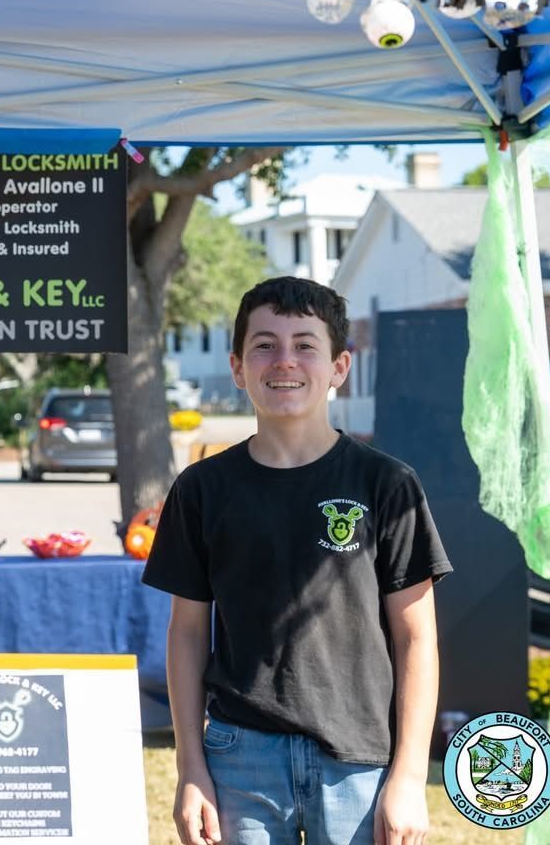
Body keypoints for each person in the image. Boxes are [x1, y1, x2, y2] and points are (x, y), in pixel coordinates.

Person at [143, 276, 450, 845]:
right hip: (240, 760)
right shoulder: (202, 489)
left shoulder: (387, 484)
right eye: (264, 344)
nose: (284, 360)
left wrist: (408, 776)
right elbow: (186, 634)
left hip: (360, 762)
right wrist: (190, 769)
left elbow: (417, 640)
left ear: (339, 367)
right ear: (237, 367)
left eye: (305, 344)